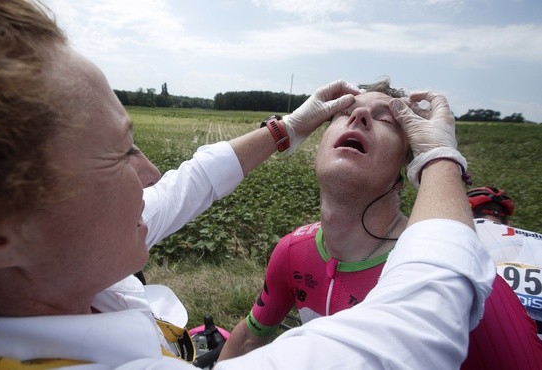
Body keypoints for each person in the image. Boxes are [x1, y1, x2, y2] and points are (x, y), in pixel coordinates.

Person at [0, 1, 495, 369]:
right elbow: (416, 327)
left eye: (390, 119)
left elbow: (188, 183)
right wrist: (441, 157)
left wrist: (287, 129)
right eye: (121, 152)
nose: (150, 176)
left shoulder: (34, 269)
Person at [220, 81, 542, 369]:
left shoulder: (462, 280)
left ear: (403, 174)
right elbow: (249, 338)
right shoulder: (293, 252)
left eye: (385, 119)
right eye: (343, 113)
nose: (358, 118)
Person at [468, 187, 542, 337]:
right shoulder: (536, 239)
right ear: (506, 220)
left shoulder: (466, 232)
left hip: (491, 331)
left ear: (469, 213)